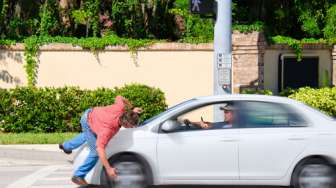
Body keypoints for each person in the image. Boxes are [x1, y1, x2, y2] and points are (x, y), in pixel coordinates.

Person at [59, 95, 142, 186]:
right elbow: (100, 149)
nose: (133, 128)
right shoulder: (107, 130)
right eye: (131, 126)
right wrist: (109, 169)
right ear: (125, 124)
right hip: (87, 120)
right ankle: (78, 176)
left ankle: (66, 146)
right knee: (94, 152)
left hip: (94, 115)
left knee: (89, 135)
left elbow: (119, 97)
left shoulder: (120, 108)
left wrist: (132, 109)